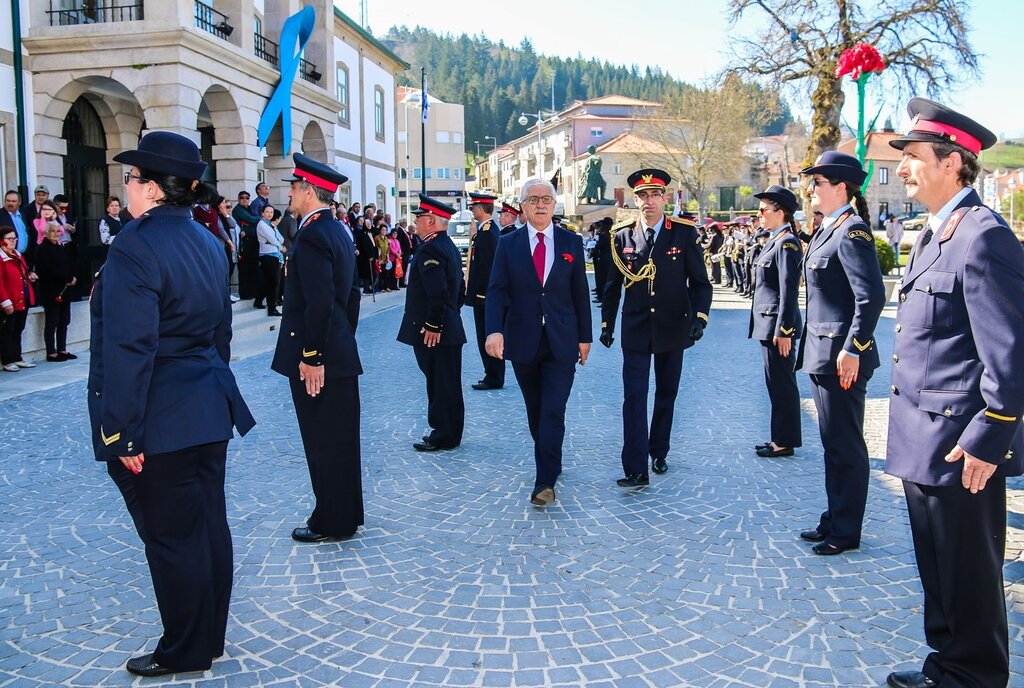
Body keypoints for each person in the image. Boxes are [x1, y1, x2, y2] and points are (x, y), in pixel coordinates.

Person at [89, 131, 255, 677]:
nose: (128, 187)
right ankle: (207, 637)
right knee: (208, 526)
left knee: (172, 536)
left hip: (159, 415)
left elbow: (129, 347)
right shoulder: (207, 240)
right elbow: (220, 335)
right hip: (208, 405)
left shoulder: (135, 245)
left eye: (133, 179)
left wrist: (121, 432)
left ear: (156, 189)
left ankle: (184, 648)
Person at [883, 99, 1024, 688]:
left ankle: (975, 675)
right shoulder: (939, 232)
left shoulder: (983, 236)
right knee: (940, 569)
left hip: (960, 445)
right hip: (926, 437)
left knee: (968, 572)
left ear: (952, 163)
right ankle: (948, 667)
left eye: (913, 157)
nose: (904, 168)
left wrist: (990, 437)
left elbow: (1010, 352)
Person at [796, 151, 886, 556]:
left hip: (841, 358)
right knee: (833, 444)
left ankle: (846, 531)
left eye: (818, 182)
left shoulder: (852, 232)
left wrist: (853, 348)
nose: (811, 189)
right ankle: (835, 516)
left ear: (841, 187)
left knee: (846, 446)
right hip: (822, 353)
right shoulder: (826, 229)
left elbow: (871, 297)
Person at [599, 169, 713, 486]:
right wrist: (607, 323)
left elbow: (701, 284)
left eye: (654, 195)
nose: (649, 201)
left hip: (672, 327)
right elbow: (612, 286)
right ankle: (636, 468)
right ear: (635, 200)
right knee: (634, 396)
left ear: (665, 198)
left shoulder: (684, 233)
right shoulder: (621, 236)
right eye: (643, 196)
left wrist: (699, 318)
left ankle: (658, 450)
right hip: (635, 328)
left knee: (666, 393)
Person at [271, 153, 363, 543]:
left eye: (293, 186)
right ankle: (344, 513)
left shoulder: (311, 235)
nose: (289, 193)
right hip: (338, 349)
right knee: (339, 439)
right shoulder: (338, 230)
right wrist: (340, 341)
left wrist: (313, 356)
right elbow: (351, 298)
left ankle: (331, 520)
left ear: (309, 191)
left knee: (324, 441)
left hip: (319, 357)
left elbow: (319, 302)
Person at [485, 178, 592, 505]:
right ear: (524, 206)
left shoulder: (570, 242)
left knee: (553, 410)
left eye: (546, 199)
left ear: (555, 204)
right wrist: (493, 330)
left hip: (562, 340)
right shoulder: (509, 243)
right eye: (533, 199)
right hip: (524, 340)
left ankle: (545, 480)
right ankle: (551, 459)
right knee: (536, 410)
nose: (541, 204)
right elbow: (497, 290)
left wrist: (585, 337)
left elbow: (580, 293)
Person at [397, 194, 466, 452]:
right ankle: (450, 431)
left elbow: (437, 292)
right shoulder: (446, 245)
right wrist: (449, 316)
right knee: (446, 381)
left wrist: (435, 324)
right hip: (447, 327)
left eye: (419, 218)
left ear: (431, 220)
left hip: (434, 331)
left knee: (440, 382)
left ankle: (443, 434)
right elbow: (460, 289)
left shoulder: (432, 248)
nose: (416, 223)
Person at [748, 186, 803, 458]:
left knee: (782, 383)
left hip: (777, 328)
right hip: (768, 326)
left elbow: (788, 290)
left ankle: (784, 440)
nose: (759, 215)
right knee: (776, 383)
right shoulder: (774, 240)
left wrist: (785, 330)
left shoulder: (787, 243)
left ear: (780, 212)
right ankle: (779, 436)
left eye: (764, 210)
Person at [464, 192, 504, 390]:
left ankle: (494, 375)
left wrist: (483, 295)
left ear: (480, 208)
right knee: (484, 335)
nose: (472, 211)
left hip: (485, 296)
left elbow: (488, 268)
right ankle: (493, 373)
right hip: (483, 295)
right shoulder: (485, 231)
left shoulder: (487, 233)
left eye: (473, 207)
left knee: (486, 336)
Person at [34, 222, 77, 361]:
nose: (55, 234)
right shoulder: (42, 249)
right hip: (51, 290)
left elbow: (68, 264)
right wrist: (68, 277)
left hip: (65, 290)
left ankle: (62, 349)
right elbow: (48, 269)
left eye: (58, 231)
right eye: (52, 231)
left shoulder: (61, 247)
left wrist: (72, 277)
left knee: (64, 321)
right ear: (46, 232)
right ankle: (51, 352)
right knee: (52, 322)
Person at [0, 227, 36, 371]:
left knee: (18, 329)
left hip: (22, 297)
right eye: (10, 239)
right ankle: (7, 360)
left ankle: (17, 357)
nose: (13, 241)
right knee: (8, 330)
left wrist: (30, 275)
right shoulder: (2, 257)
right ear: (2, 241)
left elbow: (23, 272)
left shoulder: (18, 255)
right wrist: (5, 301)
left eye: (15, 239)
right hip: (10, 299)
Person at [231, 191, 261, 300]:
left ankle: (253, 291)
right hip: (244, 242)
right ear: (238, 199)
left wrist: (253, 222)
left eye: (247, 198)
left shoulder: (250, 208)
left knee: (254, 267)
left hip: (253, 240)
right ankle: (245, 293)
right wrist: (258, 219)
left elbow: (254, 221)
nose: (245, 199)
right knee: (244, 268)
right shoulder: (238, 209)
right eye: (242, 197)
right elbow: (252, 219)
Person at [256, 204, 284, 316]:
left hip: (274, 255)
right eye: (267, 212)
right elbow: (273, 239)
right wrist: (279, 246)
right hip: (267, 255)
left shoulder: (271, 225)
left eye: (271, 212)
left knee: (270, 281)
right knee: (273, 282)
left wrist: (276, 243)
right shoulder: (262, 224)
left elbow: (280, 239)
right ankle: (272, 308)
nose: (269, 214)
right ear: (262, 213)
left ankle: (258, 300)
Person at [1, 191, 35, 270]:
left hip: (23, 257)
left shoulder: (22, 215)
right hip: (7, 258)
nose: (10, 203)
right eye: (8, 201)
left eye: (13, 201)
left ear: (19, 202)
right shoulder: (1, 215)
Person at [590, 216, 613, 304]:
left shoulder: (604, 235)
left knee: (602, 279)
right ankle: (602, 297)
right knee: (604, 279)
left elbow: (599, 246)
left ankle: (602, 298)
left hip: (603, 259)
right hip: (607, 259)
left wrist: (593, 250)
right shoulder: (610, 234)